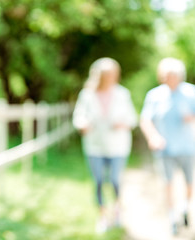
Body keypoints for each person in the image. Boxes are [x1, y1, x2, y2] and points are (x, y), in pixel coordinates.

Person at [140, 57, 195, 235]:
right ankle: (172, 218)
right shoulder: (154, 95)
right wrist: (153, 137)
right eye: (167, 75)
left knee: (189, 182)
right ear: (162, 76)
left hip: (187, 147)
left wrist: (191, 117)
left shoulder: (192, 92)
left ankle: (185, 208)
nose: (171, 78)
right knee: (167, 183)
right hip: (165, 149)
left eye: (174, 74)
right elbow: (145, 120)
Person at [72, 57, 137, 234]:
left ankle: (117, 211)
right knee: (99, 181)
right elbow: (78, 117)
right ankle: (103, 215)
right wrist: (82, 124)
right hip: (95, 146)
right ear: (98, 75)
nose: (110, 77)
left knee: (115, 180)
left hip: (118, 146)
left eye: (113, 74)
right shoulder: (87, 94)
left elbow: (132, 119)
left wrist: (122, 124)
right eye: (106, 74)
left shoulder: (123, 94)